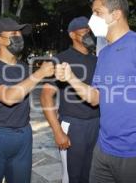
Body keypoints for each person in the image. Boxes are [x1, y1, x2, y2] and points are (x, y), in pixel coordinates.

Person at [54, 0, 136, 183]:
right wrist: (71, 78)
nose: (92, 19)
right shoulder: (104, 54)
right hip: (104, 149)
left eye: (97, 13)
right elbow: (95, 98)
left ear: (116, 14)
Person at [0, 17, 54, 183]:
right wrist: (39, 73)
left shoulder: (23, 67)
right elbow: (9, 98)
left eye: (20, 33)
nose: (19, 36)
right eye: (13, 33)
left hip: (23, 135)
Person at [40, 16, 99, 183]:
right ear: (72, 35)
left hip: (97, 124)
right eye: (84, 31)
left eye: (90, 31)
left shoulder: (98, 60)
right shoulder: (61, 59)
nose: (89, 34)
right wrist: (58, 131)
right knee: (72, 176)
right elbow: (45, 96)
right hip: (73, 125)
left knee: (91, 174)